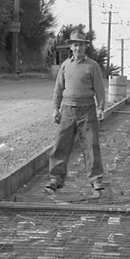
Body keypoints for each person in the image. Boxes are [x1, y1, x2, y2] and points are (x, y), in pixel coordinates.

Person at [46, 29, 106, 194]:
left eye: (81, 45)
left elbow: (100, 90)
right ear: (71, 47)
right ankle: (56, 179)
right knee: (61, 144)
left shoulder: (92, 66)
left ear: (85, 47)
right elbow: (58, 89)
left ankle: (96, 180)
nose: (78, 48)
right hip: (67, 109)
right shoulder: (65, 66)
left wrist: (101, 108)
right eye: (75, 45)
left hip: (87, 110)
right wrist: (55, 108)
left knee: (91, 144)